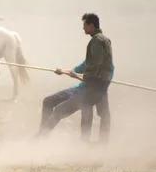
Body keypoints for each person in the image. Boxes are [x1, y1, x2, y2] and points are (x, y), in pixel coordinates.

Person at [37, 13, 113, 142]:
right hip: (90, 86)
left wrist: (79, 76)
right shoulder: (103, 40)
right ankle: (43, 134)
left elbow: (96, 66)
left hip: (92, 88)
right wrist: (70, 71)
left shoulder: (97, 41)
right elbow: (90, 63)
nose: (83, 28)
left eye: (84, 25)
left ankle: (41, 138)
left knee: (61, 109)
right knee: (49, 101)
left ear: (91, 25)